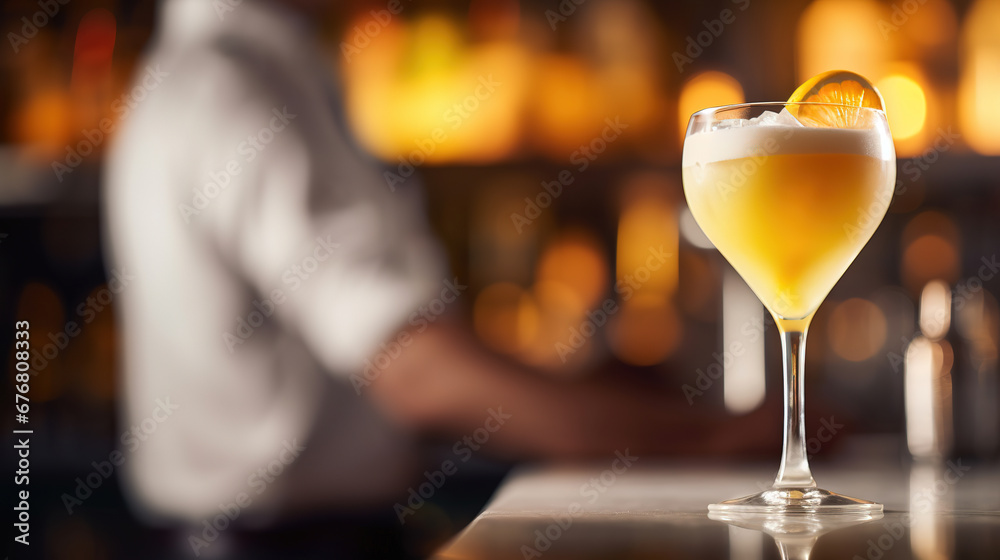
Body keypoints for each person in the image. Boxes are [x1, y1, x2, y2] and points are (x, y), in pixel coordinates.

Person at [104, 0, 772, 528]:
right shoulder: (236, 92)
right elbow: (416, 372)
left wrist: (593, 393)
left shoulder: (214, 74)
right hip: (288, 544)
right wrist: (702, 439)